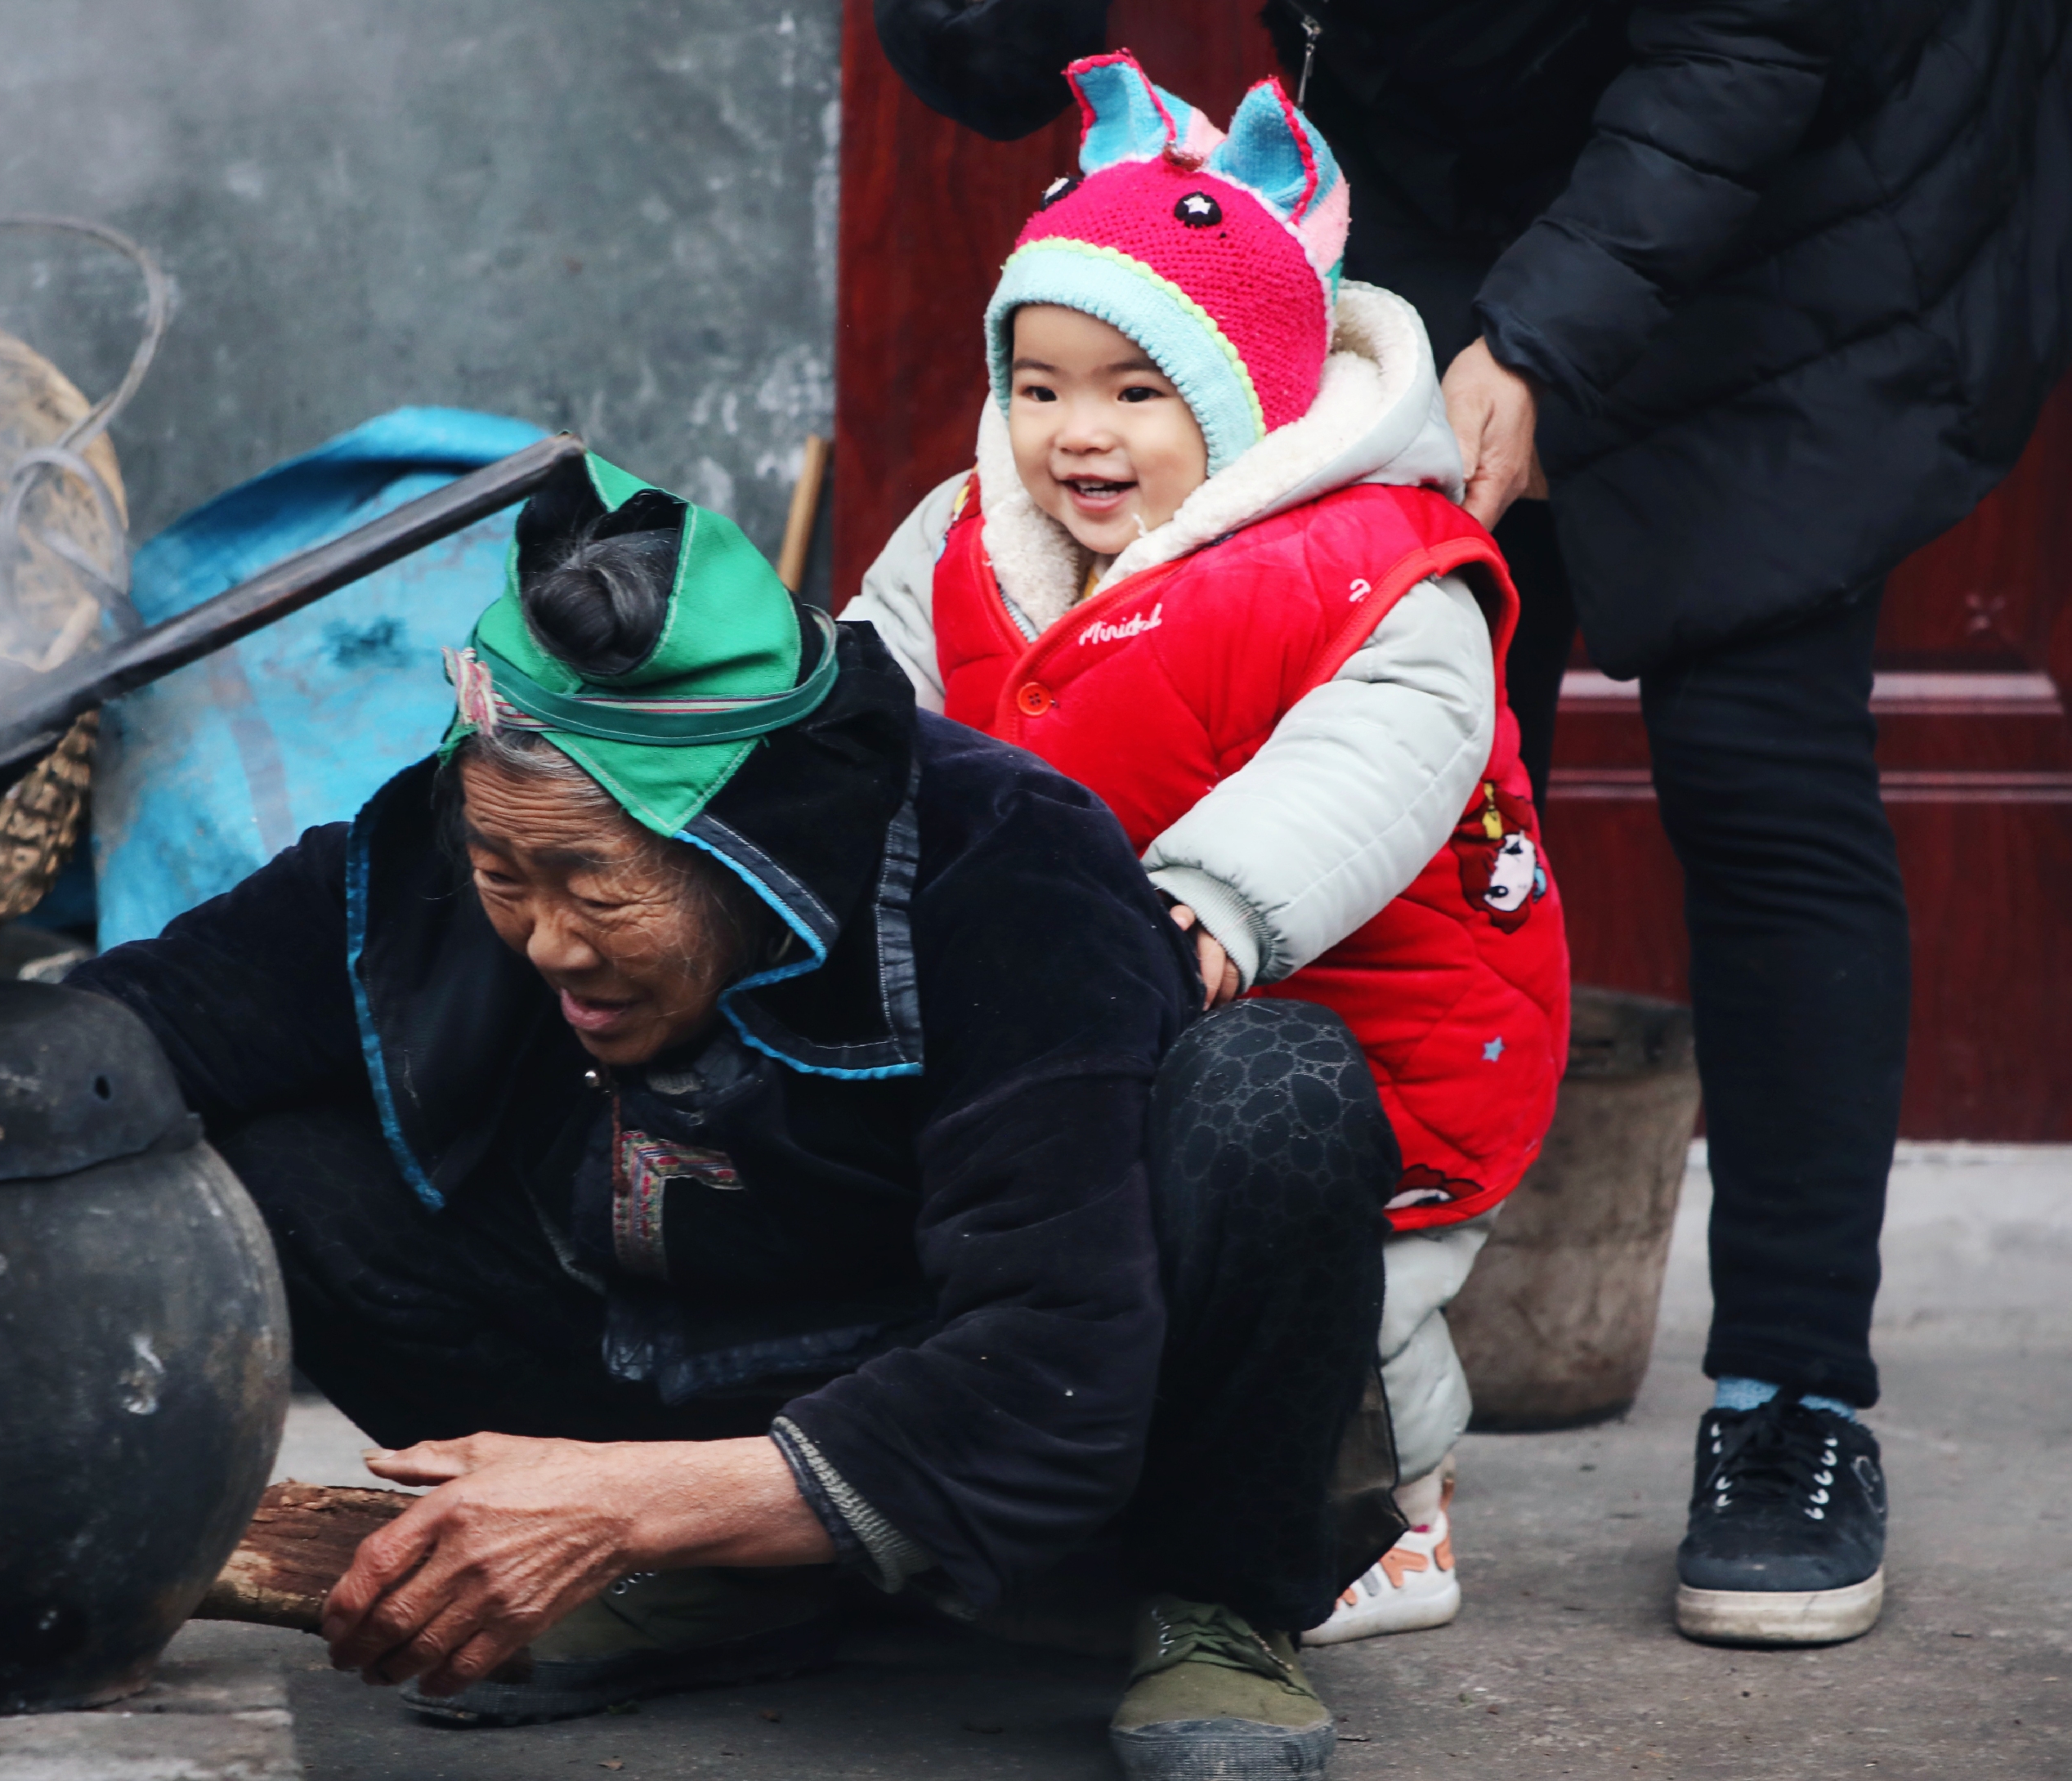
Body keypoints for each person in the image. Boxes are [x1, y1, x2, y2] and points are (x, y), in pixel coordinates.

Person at [874, 0, 2072, 1647]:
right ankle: (1365, 1399)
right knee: (1413, 789)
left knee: (1758, 762)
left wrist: (1536, 340)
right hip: (1446, 163)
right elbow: (988, 58)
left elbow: (1745, 49)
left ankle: (1789, 1394)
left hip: (1802, 195)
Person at [73, 449, 1404, 1779]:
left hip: (999, 1409)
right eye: (503, 877)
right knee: (239, 1156)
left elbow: (1057, 1362)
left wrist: (622, 1508)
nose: (546, 943)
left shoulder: (1009, 868)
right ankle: (726, 1581)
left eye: (596, 889)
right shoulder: (459, 838)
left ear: (747, 847)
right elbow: (131, 1033)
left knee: (1276, 1093)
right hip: (664, 1361)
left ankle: (1215, 1605)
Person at [844, 53, 1566, 1647]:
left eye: (1133, 391)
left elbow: (1364, 764)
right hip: (1087, 1005)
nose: (1072, 435)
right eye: (1039, 387)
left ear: (1243, 397)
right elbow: (872, 699)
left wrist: (1211, 908)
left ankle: (1397, 1506)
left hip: (1364, 1015)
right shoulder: (966, 543)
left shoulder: (1380, 568)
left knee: (1343, 1283)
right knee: (1077, 1240)